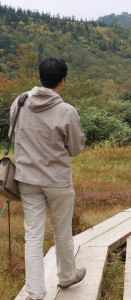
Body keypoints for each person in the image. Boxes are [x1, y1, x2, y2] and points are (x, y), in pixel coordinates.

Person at [10, 57, 86, 300]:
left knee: (33, 235)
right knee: (62, 232)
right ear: (63, 80)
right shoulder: (66, 111)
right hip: (57, 181)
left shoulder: (19, 103)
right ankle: (67, 276)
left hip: (27, 179)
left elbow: (13, 136)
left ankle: (35, 291)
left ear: (40, 77)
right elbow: (75, 148)